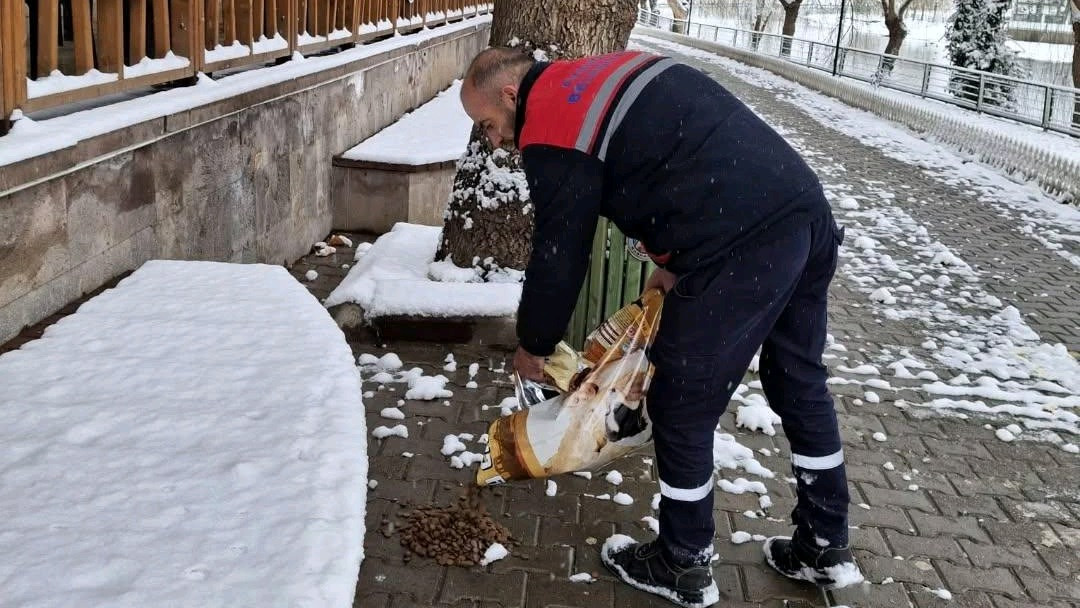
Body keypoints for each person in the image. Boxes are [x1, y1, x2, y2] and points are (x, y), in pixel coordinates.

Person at [459, 47, 861, 608]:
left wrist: (534, 344)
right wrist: (671, 263)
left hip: (742, 241)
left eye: (488, 124)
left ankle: (683, 561)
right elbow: (679, 155)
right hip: (802, 213)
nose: (495, 139)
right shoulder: (594, 72)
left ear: (509, 95)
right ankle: (825, 543)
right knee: (798, 381)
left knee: (681, 402)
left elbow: (559, 252)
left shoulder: (550, 121)